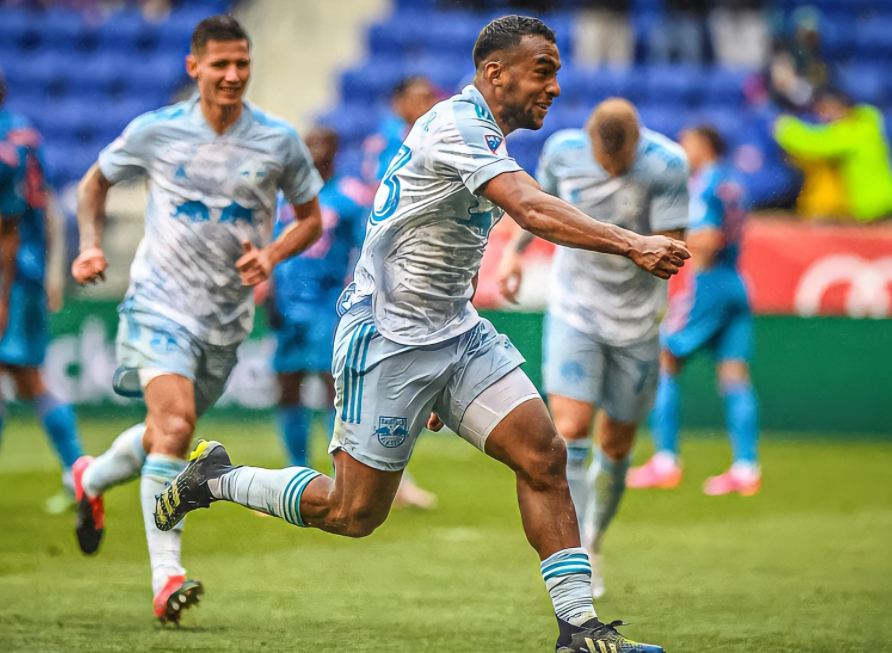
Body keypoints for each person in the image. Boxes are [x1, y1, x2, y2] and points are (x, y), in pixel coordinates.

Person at [155, 16, 689, 652]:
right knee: (352, 514)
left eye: (556, 74)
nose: (553, 87)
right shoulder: (457, 124)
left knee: (544, 454)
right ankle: (215, 478)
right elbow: (531, 207)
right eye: (542, 71)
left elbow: (446, 244)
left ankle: (579, 629)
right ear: (496, 74)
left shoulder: (485, 135)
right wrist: (632, 242)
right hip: (387, 336)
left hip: (455, 332)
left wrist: (444, 387)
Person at [69, 15, 324, 623]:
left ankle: (90, 476)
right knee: (177, 425)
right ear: (194, 67)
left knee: (166, 433)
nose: (232, 75)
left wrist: (273, 253)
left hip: (226, 319)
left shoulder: (279, 140)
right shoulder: (158, 131)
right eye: (220, 65)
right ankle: (167, 578)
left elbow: (309, 218)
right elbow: (93, 183)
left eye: (242, 64)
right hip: (159, 302)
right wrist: (88, 244)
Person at [496, 98, 689, 598]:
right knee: (572, 428)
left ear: (636, 145)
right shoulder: (563, 153)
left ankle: (598, 533)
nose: (612, 171)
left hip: (638, 321)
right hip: (575, 309)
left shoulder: (667, 165)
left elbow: (672, 247)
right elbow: (539, 207)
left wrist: (646, 246)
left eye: (621, 165)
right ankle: (580, 554)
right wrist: (515, 254)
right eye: (605, 164)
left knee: (618, 443)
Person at [628, 126, 761, 496]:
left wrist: (663, 241)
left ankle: (666, 461)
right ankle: (746, 468)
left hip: (709, 284)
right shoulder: (734, 184)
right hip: (737, 281)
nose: (682, 149)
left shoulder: (705, 184)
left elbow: (708, 238)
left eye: (687, 142)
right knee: (735, 376)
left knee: (665, 360)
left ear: (704, 145)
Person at [0, 72, 85, 510]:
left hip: (9, 273)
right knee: (23, 374)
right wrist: (52, 272)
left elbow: (7, 225)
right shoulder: (26, 133)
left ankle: (79, 469)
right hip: (30, 271)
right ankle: (78, 471)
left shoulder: (4, 144)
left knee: (26, 376)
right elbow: (49, 205)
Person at [774, 86, 892, 223]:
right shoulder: (867, 124)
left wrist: (784, 128)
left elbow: (816, 144)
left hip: (875, 209)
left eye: (825, 110)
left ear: (841, 107)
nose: (823, 117)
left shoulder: (856, 131)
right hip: (878, 206)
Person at [361, 76, 437, 185]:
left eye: (430, 99)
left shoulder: (440, 131)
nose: (426, 106)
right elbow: (377, 180)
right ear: (400, 102)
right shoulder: (382, 141)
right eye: (418, 100)